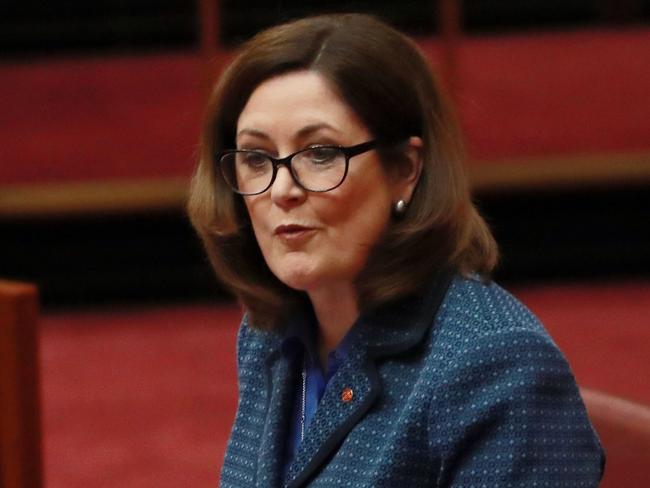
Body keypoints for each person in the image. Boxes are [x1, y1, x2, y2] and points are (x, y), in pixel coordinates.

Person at [188, 13, 604, 487]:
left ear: (405, 169)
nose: (282, 189)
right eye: (256, 158)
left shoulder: (495, 363)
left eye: (321, 154)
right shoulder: (272, 332)